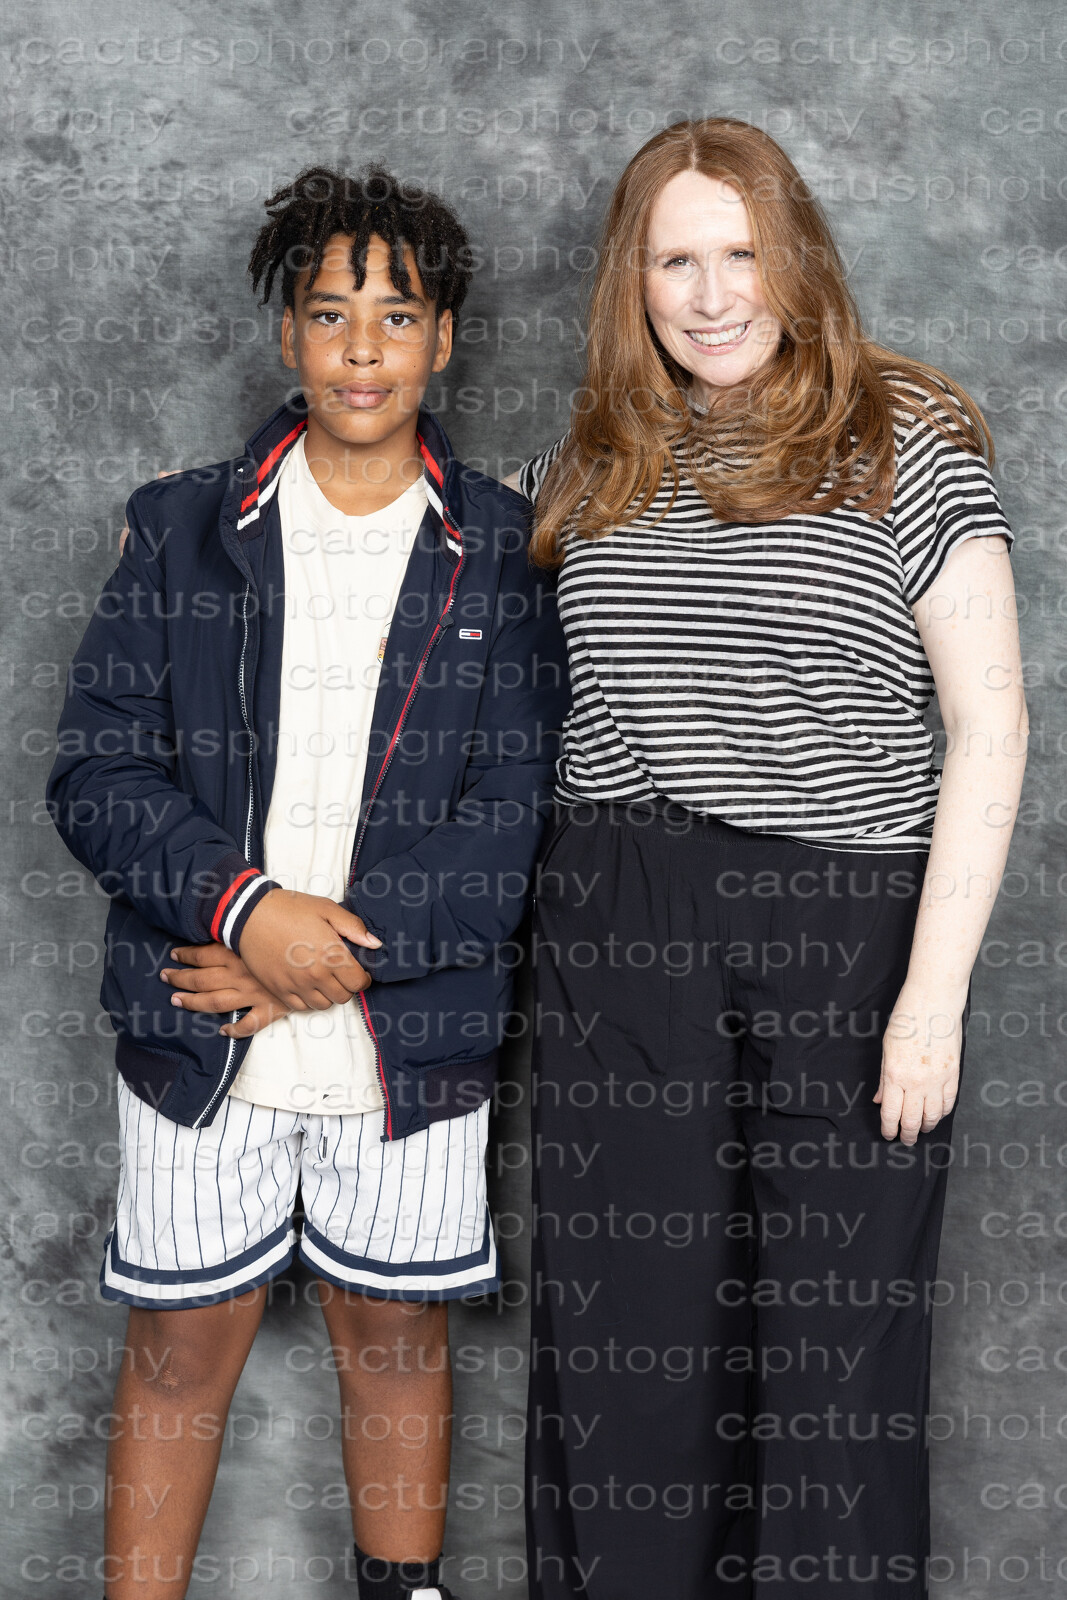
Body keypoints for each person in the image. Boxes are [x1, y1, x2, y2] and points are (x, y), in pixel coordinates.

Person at [507, 118, 1027, 1598]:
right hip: (623, 918)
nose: (713, 293)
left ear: (796, 258)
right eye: (676, 260)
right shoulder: (588, 458)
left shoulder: (907, 436)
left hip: (848, 926)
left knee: (833, 1363)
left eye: (741, 253)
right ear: (633, 281)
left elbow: (991, 725)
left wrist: (931, 1000)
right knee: (631, 1342)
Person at [46, 164, 569, 1600]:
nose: (360, 348)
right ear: (287, 334)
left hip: (407, 1032)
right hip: (202, 1016)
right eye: (329, 314)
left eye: (396, 316)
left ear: (444, 339)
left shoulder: (502, 553)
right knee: (178, 1348)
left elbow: (515, 817)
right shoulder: (182, 527)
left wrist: (322, 955)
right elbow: (97, 772)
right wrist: (248, 916)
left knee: (394, 1339)